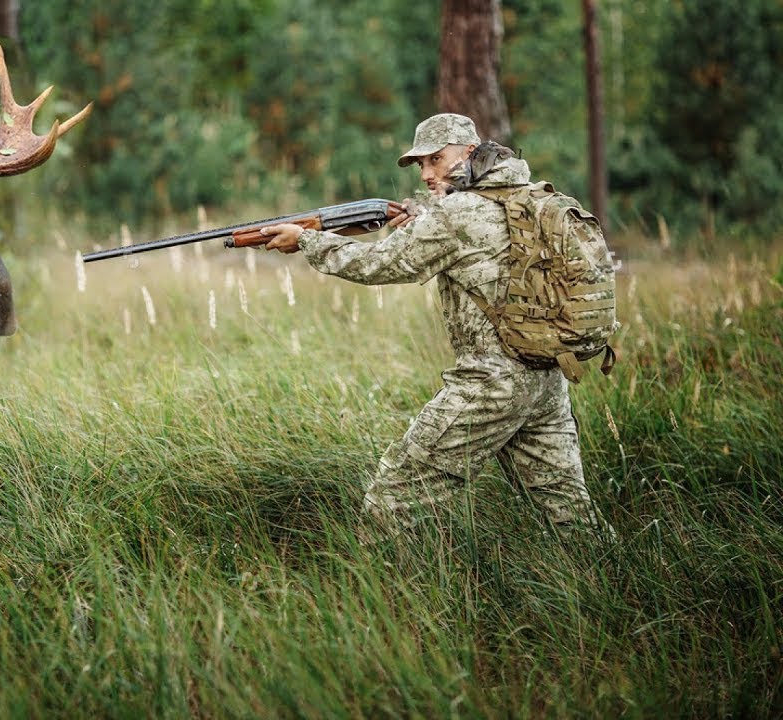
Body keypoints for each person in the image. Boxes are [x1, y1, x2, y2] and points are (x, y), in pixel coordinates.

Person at [259, 113, 614, 539]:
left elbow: (379, 264)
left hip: (489, 386)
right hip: (546, 380)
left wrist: (306, 241)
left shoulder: (456, 213)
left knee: (392, 499)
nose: (426, 174)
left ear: (468, 151)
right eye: (420, 165)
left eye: (435, 160)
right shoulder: (522, 195)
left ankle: (387, 599)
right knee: (570, 515)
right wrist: (420, 215)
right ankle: (610, 585)